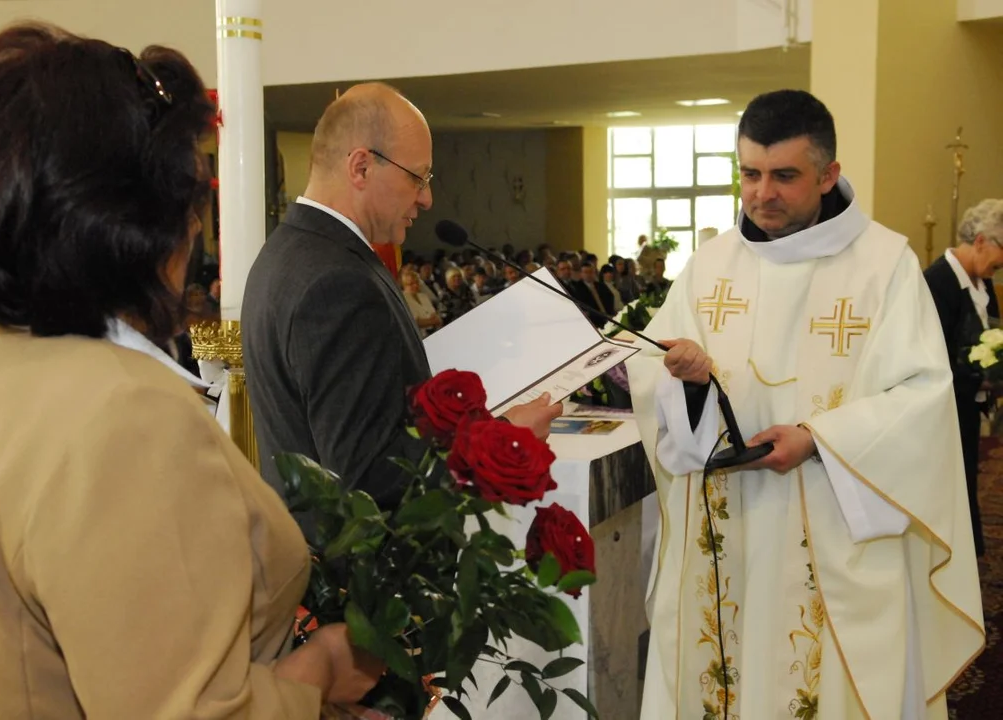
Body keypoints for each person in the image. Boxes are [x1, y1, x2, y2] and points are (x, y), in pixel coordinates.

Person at [0, 23, 381, 718]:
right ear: (139, 217)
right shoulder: (124, 414)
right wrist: (319, 670)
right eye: (191, 190)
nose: (196, 223)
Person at [628, 89, 983, 719]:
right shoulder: (708, 268)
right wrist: (684, 382)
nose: (763, 193)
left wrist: (819, 438)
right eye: (750, 174)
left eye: (785, 176)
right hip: (724, 534)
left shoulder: (884, 267)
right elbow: (655, 372)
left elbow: (925, 396)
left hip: (834, 533)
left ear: (829, 175)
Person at [242, 83, 561, 513]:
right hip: (362, 570)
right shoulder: (337, 282)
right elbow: (370, 476)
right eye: (418, 177)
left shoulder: (285, 250)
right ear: (361, 168)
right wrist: (503, 437)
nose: (427, 198)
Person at [924, 198, 1003, 558]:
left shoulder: (985, 287)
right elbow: (929, 354)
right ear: (983, 240)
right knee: (945, 485)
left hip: (967, 407)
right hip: (941, 409)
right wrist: (977, 378)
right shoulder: (936, 283)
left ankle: (967, 556)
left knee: (966, 478)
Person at [401, 268, 442, 336]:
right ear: (404, 285)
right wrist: (433, 321)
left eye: (417, 282)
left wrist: (433, 321)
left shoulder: (423, 296)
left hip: (435, 332)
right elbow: (415, 323)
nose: (415, 285)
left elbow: (434, 315)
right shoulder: (403, 299)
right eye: (411, 284)